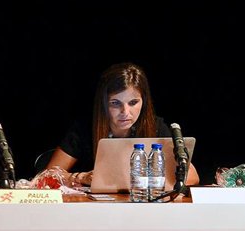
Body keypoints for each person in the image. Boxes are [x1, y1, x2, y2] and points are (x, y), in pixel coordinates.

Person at [45, 62, 199, 189]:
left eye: (133, 103)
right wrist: (81, 177)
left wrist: (141, 182)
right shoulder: (85, 128)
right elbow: (47, 176)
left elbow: (192, 176)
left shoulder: (155, 126)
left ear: (144, 102)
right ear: (103, 104)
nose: (125, 112)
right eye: (115, 103)